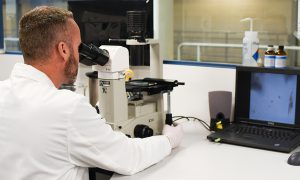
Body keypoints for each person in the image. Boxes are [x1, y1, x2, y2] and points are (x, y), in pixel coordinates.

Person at [0, 6, 183, 180]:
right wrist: (168, 140)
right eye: (78, 47)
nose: (81, 56)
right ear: (63, 50)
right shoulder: (67, 108)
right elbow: (128, 158)